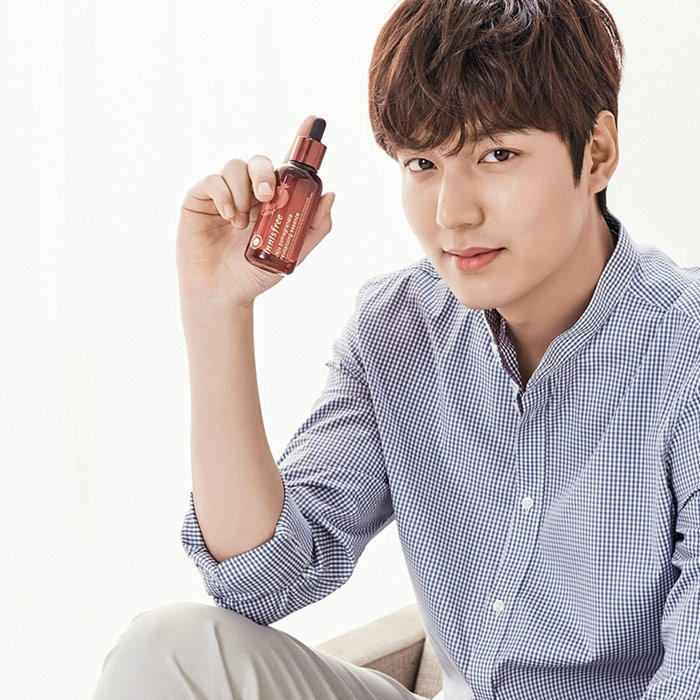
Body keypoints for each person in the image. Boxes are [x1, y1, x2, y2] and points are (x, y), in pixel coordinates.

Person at [92, 0, 700, 698]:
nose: (451, 214)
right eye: (423, 163)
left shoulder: (685, 350)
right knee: (167, 648)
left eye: (497, 155)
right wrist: (217, 307)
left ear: (596, 154)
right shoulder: (398, 327)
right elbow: (261, 579)